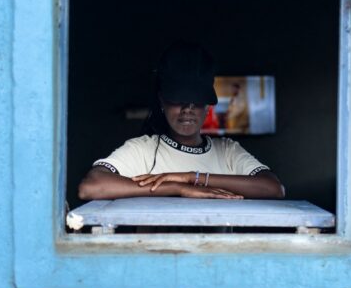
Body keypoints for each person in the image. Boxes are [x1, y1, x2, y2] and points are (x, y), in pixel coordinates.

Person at [78, 42, 284, 200]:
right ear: (162, 102)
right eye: (178, 100)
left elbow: (274, 188)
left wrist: (191, 177)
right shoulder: (142, 150)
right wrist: (177, 188)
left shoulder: (227, 150)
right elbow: (91, 187)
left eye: (196, 101)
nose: (187, 109)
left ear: (207, 106)